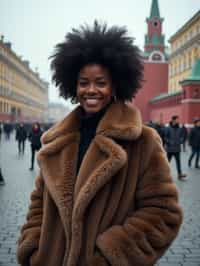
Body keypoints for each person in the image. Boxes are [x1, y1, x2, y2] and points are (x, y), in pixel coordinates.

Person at [17, 22, 182, 266]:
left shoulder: (142, 142)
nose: (91, 90)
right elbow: (39, 204)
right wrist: (33, 246)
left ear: (115, 85)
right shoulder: (56, 142)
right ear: (73, 86)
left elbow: (163, 213)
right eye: (84, 82)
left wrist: (110, 256)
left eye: (101, 82)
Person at [165, 115, 187, 180]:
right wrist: (169, 142)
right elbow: (165, 137)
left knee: (178, 162)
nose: (178, 120)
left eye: (178, 119)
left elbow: (182, 136)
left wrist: (181, 141)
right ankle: (164, 175)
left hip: (177, 149)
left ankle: (179, 175)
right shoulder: (168, 128)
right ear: (173, 120)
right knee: (167, 163)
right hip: (170, 149)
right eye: (177, 119)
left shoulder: (179, 128)